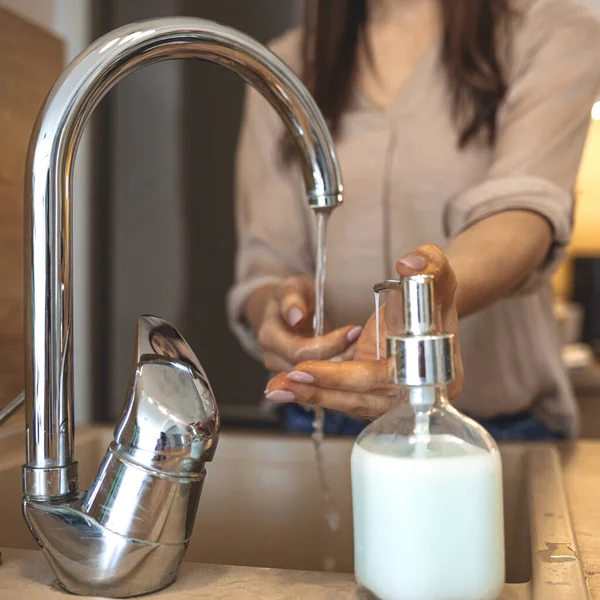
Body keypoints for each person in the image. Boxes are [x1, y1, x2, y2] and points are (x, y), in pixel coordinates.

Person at [227, 0, 600, 440]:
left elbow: (523, 210)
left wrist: (430, 299)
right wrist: (278, 310)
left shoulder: (549, 31)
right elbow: (267, 262)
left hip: (497, 433)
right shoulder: (285, 65)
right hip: (322, 426)